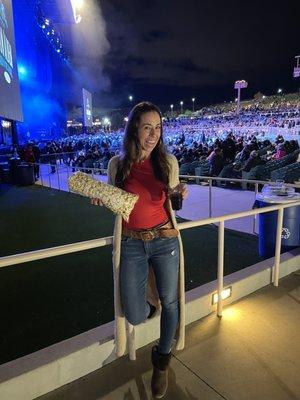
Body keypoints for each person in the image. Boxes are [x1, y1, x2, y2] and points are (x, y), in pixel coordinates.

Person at [91, 102, 187, 398]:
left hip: (164, 239)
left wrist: (179, 194)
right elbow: (117, 204)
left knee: (171, 303)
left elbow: (172, 204)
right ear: (134, 128)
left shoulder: (168, 162)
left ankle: (161, 363)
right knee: (133, 313)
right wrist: (103, 200)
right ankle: (150, 302)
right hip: (132, 242)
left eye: (158, 127)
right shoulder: (117, 165)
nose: (153, 134)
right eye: (147, 127)